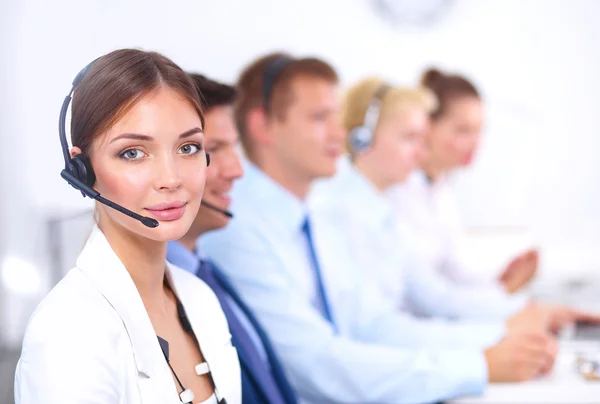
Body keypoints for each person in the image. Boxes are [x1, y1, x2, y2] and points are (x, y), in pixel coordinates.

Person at [200, 53, 557, 404]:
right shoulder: (238, 226)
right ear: (263, 127)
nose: (342, 133)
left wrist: (493, 340)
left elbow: (369, 322)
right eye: (320, 117)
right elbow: (315, 365)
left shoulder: (310, 217)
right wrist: (477, 362)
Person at [14, 49, 241, 404]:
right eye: (133, 153)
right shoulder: (67, 334)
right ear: (83, 172)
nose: (171, 178)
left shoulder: (202, 300)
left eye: (188, 147)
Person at [310, 77, 600, 332]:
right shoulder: (346, 209)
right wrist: (500, 331)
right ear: (362, 139)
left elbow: (434, 293)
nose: (420, 152)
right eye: (411, 138)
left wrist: (518, 305)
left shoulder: (384, 208)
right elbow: (389, 323)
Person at [167, 73, 297, 404]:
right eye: (212, 150)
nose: (237, 170)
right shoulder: (158, 298)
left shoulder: (207, 273)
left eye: (233, 148)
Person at [387, 68, 537, 294]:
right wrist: (497, 297)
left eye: (480, 131)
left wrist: (502, 282)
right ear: (426, 127)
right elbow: (419, 293)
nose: (476, 143)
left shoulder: (440, 189)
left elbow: (455, 271)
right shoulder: (395, 190)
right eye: (463, 131)